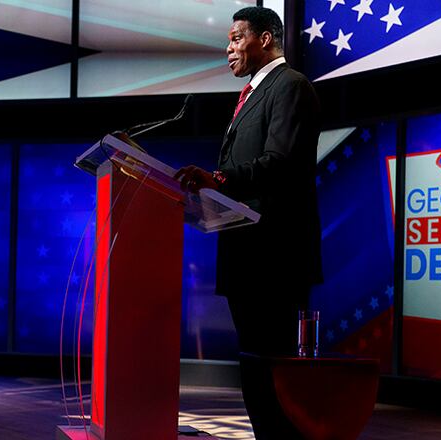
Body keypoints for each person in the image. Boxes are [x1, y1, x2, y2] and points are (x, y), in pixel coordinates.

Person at [175, 6, 322, 439]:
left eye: (237, 38)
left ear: (265, 38)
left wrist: (219, 178)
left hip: (275, 254)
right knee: (255, 365)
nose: (229, 48)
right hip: (247, 252)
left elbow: (280, 162)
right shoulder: (254, 93)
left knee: (271, 367)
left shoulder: (289, 86)